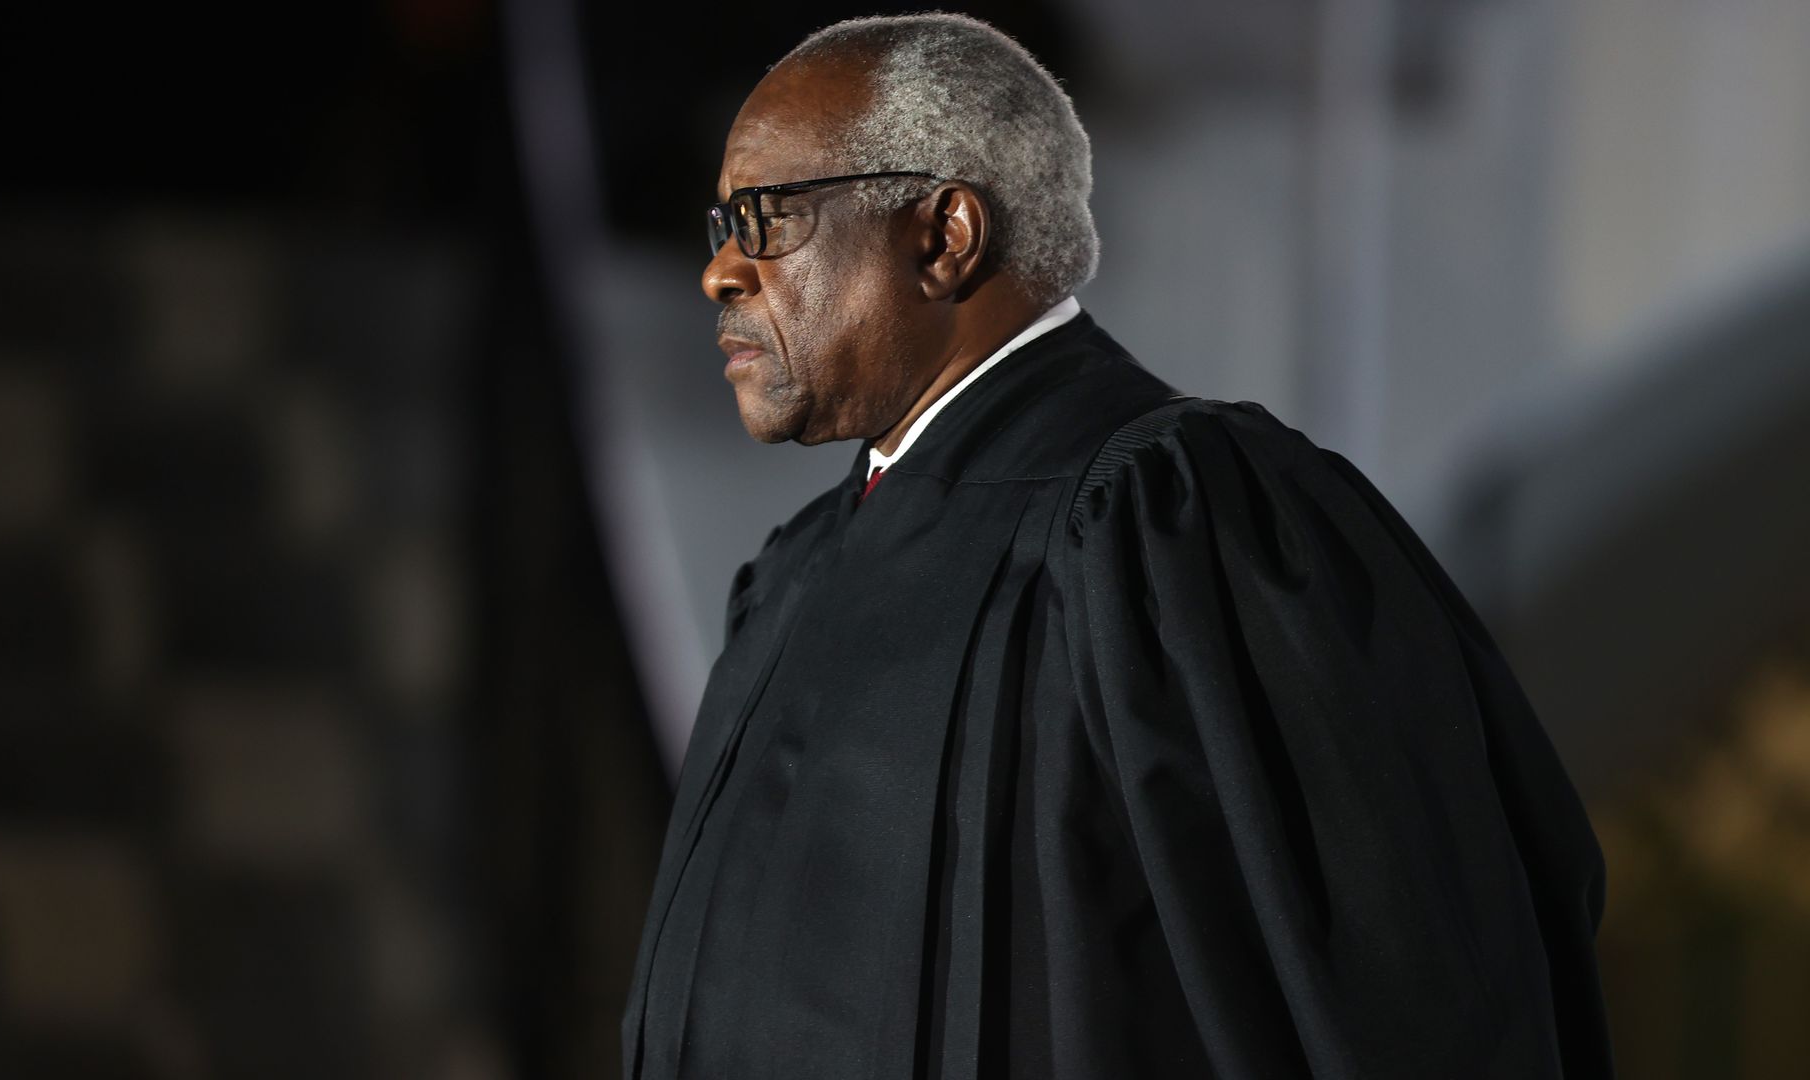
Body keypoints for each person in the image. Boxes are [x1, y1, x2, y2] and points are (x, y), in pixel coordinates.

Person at [623, 13, 1613, 1080]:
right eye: (721, 220)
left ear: (943, 234)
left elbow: (1408, 1011)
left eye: (765, 218)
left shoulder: (1175, 525)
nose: (721, 271)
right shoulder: (792, 579)